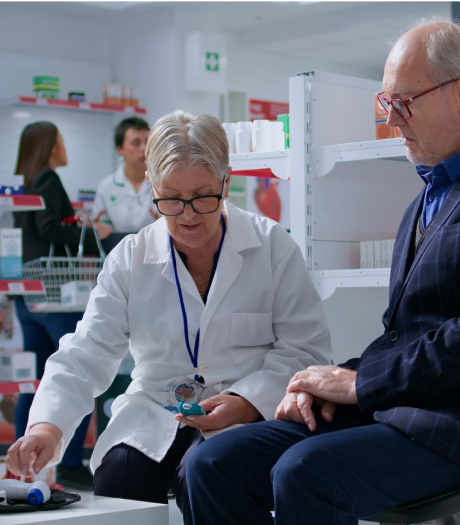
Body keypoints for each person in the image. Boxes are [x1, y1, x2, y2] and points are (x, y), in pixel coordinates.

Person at [185, 19, 460, 525]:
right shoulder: (423, 199)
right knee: (211, 461)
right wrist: (323, 381)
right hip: (395, 404)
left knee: (304, 472)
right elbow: (404, 336)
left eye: (404, 102)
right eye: (386, 104)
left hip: (443, 425)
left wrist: (359, 384)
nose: (393, 120)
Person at [6, 110, 331, 522]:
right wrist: (47, 428)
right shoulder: (130, 258)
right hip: (155, 409)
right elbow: (85, 352)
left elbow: (306, 351)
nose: (188, 214)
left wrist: (245, 402)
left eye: (203, 196)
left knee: (210, 469)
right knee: (120, 475)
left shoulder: (272, 249)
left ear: (226, 183)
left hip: (247, 410)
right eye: (171, 199)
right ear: (153, 189)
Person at [12, 121, 112, 490]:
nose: (65, 146)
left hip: (28, 296)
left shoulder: (25, 178)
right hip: (57, 294)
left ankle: (21, 458)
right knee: (75, 372)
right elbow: (50, 228)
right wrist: (90, 233)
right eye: (62, 140)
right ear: (52, 146)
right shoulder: (49, 179)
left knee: (34, 380)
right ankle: (70, 464)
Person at [92, 116, 160, 234]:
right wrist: (96, 226)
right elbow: (102, 227)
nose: (143, 148)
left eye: (147, 142)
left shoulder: (163, 182)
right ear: (120, 149)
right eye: (135, 143)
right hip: (117, 248)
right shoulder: (107, 187)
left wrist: (165, 222)